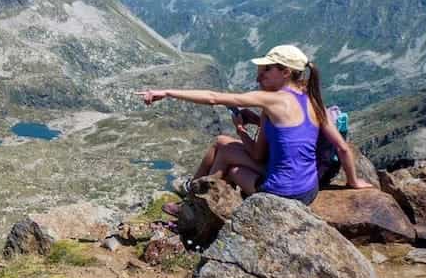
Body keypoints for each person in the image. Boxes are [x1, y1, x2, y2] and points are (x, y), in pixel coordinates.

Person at [136, 44, 367, 204]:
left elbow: (213, 98)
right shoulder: (313, 100)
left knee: (229, 160)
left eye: (265, 71)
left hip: (282, 195)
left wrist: (166, 92)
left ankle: (196, 203)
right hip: (309, 191)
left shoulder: (271, 100)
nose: (259, 78)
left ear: (286, 72)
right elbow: (342, 148)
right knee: (222, 143)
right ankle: (193, 192)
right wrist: (353, 182)